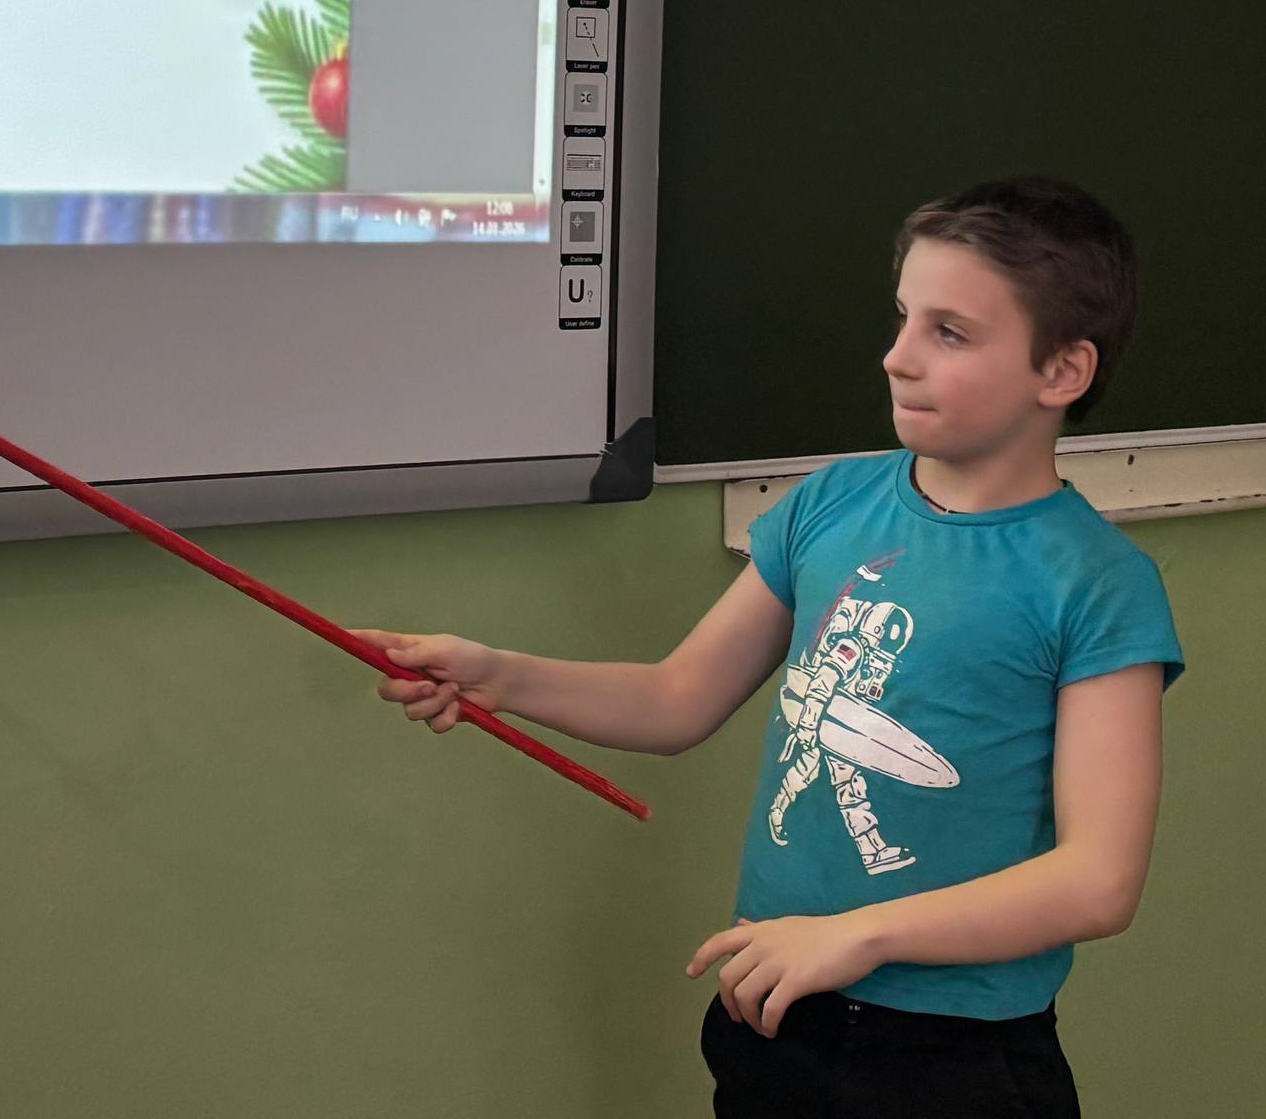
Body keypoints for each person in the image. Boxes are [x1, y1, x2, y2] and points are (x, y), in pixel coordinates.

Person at [358, 178, 1183, 1116]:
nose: (898, 357)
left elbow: (1098, 880)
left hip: (952, 1058)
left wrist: (859, 936)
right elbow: (677, 698)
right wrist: (501, 676)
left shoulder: (1096, 585)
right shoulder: (832, 503)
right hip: (776, 1012)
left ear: (1062, 371)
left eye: (950, 333)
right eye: (904, 318)